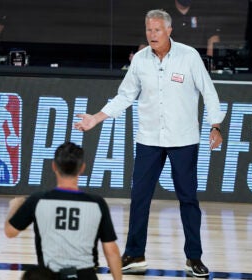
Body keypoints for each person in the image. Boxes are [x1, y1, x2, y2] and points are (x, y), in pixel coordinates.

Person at [74, 9, 225, 277]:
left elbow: (209, 92)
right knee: (139, 197)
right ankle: (135, 254)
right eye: (148, 29)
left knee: (188, 199)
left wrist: (215, 125)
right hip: (149, 139)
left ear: (169, 31)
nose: (152, 34)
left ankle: (194, 258)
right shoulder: (140, 61)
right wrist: (96, 118)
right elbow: (124, 96)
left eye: (157, 30)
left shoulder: (189, 56)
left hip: (183, 139)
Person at [4, 142, 122, 280]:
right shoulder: (97, 203)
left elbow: (10, 231)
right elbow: (111, 251)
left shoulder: (37, 200)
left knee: (31, 276)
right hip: (85, 276)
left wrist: (14, 206)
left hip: (51, 276)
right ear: (82, 168)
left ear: (54, 166)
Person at [133, 0, 221, 58]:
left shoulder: (203, 11)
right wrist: (138, 58)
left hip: (197, 61)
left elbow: (213, 37)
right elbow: (148, 38)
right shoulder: (163, 13)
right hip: (168, 62)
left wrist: (210, 61)